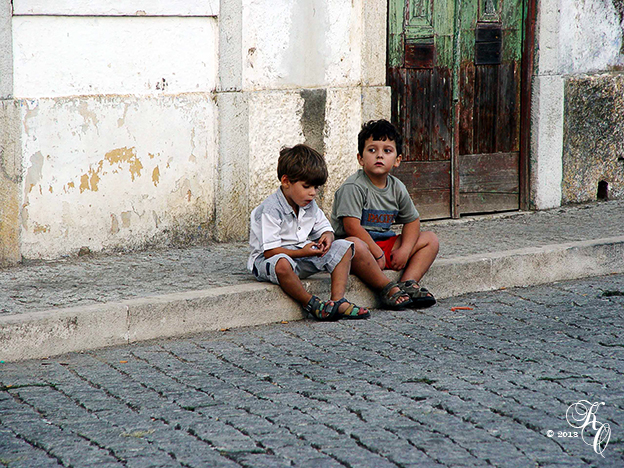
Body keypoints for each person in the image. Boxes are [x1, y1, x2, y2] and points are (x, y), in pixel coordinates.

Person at [248, 144, 370, 321]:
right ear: (286, 181)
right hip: (271, 261)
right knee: (282, 264)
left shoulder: (309, 204)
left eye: (316, 188)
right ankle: (312, 304)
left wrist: (327, 238)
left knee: (344, 246)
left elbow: (326, 229)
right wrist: (303, 252)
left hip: (301, 257)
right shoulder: (271, 209)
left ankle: (338, 301)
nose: (312, 193)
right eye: (307, 186)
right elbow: (270, 251)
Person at [330, 119, 439, 308]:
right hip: (357, 249)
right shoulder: (354, 187)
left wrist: (404, 249)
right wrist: (376, 253)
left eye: (387, 151)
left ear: (397, 160)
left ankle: (408, 283)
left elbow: (412, 220)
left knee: (430, 239)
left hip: (384, 246)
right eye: (372, 150)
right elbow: (351, 227)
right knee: (354, 244)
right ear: (360, 158)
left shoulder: (397, 187)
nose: (379, 155)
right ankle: (387, 287)